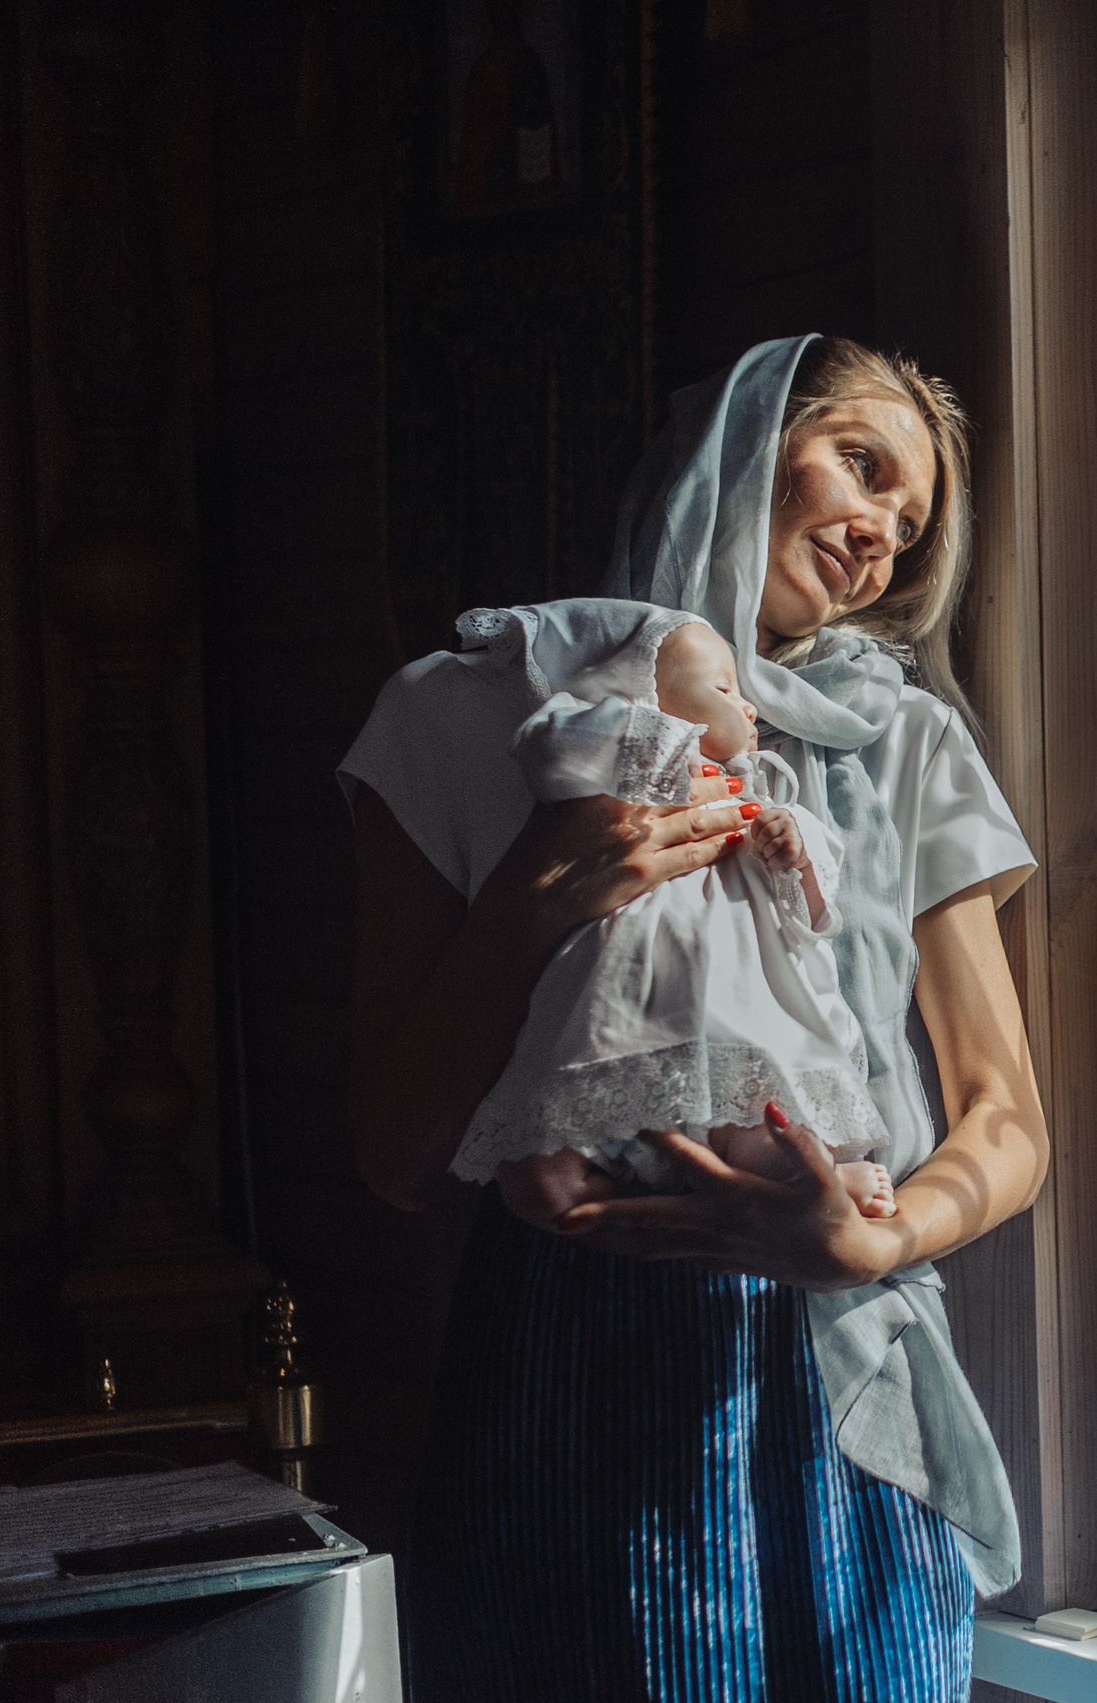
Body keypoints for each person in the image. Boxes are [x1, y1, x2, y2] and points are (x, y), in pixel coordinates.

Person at [342, 335, 1042, 1701]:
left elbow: (1006, 1115)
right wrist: (531, 903)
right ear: (739, 437)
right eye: (862, 465)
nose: (877, 540)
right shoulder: (462, 715)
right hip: (562, 1356)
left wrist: (873, 1234)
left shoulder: (900, 745)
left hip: (848, 1359)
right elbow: (391, 1151)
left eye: (907, 530)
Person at [353, 598, 900, 1225]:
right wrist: (652, 744)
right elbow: (552, 749)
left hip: (728, 1001)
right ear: (646, 698)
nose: (747, 707)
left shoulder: (754, 790)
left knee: (761, 1123)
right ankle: (584, 1198)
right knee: (546, 1157)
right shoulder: (602, 761)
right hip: (615, 991)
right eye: (724, 689)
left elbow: (814, 903)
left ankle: (816, 1172)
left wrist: (789, 842)